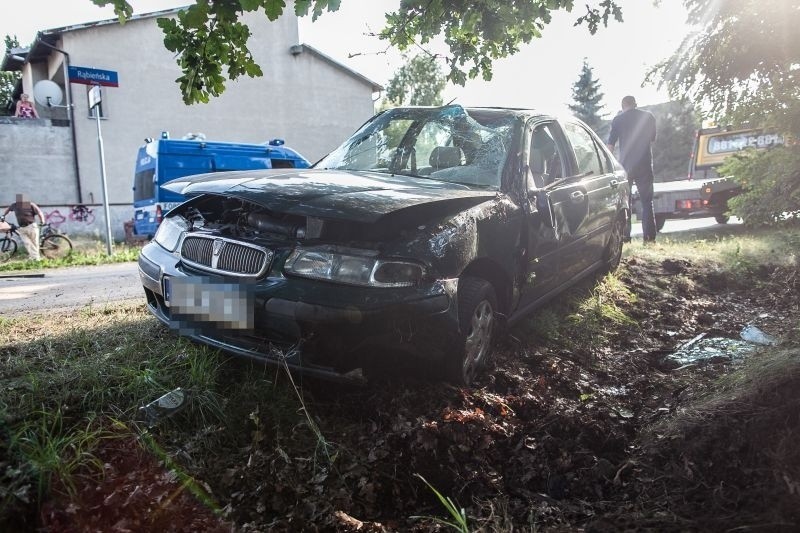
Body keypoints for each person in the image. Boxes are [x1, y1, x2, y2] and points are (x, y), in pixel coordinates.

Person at [607, 95, 657, 243]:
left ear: (623, 106)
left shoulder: (618, 120)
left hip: (626, 166)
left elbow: (610, 145)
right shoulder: (648, 117)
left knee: (625, 202)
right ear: (635, 104)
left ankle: (625, 237)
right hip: (645, 165)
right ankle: (649, 238)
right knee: (647, 201)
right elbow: (653, 139)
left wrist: (608, 165)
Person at [2, 193, 45, 260]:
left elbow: (39, 212)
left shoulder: (31, 205)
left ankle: (35, 258)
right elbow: (8, 209)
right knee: (27, 243)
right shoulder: (15, 205)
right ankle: (36, 258)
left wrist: (42, 221)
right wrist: (3, 215)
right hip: (22, 228)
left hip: (31, 226)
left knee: (34, 243)